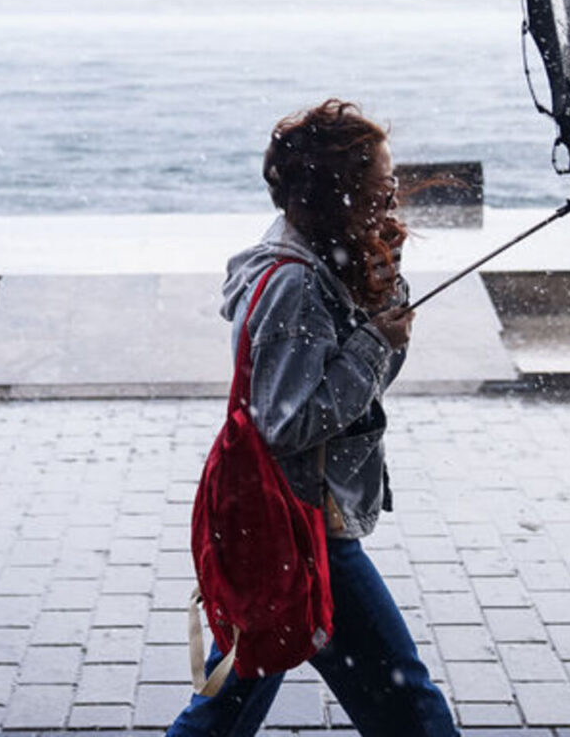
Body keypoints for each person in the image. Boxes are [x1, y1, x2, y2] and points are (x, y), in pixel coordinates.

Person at [166, 99, 460, 737]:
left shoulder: (322, 258)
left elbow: (355, 392)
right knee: (409, 707)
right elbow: (290, 422)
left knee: (229, 704)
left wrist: (384, 303)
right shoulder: (296, 285)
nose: (392, 200)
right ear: (340, 194)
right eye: (381, 188)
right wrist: (375, 341)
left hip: (283, 521)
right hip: (303, 525)